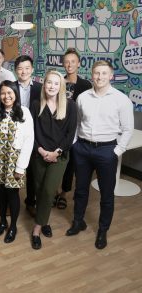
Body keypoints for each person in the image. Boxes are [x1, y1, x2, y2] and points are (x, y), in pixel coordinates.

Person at [66, 60, 134, 249]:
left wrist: (116, 151)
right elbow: (77, 123)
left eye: (104, 73)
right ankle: (78, 221)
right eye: (97, 73)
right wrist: (74, 145)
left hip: (107, 150)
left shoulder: (121, 100)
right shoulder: (83, 97)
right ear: (92, 74)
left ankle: (103, 230)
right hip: (82, 149)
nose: (100, 77)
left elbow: (128, 129)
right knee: (80, 189)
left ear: (111, 76)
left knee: (106, 194)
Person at [0, 80, 34, 243]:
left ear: (15, 95)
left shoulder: (24, 112)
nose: (6, 96)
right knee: (1, 193)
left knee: (12, 194)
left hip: (14, 161)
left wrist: (21, 166)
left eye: (9, 93)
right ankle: (3, 221)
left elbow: (28, 140)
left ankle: (13, 226)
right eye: (3, 93)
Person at [30, 70, 77, 250]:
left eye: (56, 83)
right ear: (44, 85)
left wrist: (56, 152)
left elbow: (70, 134)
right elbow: (31, 132)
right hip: (39, 154)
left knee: (50, 191)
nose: (52, 86)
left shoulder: (70, 106)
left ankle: (36, 229)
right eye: (49, 82)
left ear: (61, 87)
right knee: (41, 190)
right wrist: (41, 151)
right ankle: (45, 221)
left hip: (59, 156)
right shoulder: (36, 105)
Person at [55, 48, 92, 210]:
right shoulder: (58, 82)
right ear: (63, 64)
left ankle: (63, 193)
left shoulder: (85, 85)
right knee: (56, 162)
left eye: (73, 62)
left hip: (77, 131)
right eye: (67, 62)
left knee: (70, 163)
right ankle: (53, 190)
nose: (69, 65)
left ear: (78, 64)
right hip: (57, 129)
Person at [13, 55, 42, 218]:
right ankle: (13, 202)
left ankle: (30, 202)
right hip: (15, 135)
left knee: (32, 171)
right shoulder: (10, 87)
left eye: (26, 68)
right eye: (19, 68)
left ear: (31, 69)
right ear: (16, 70)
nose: (23, 71)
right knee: (14, 169)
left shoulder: (40, 87)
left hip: (34, 135)